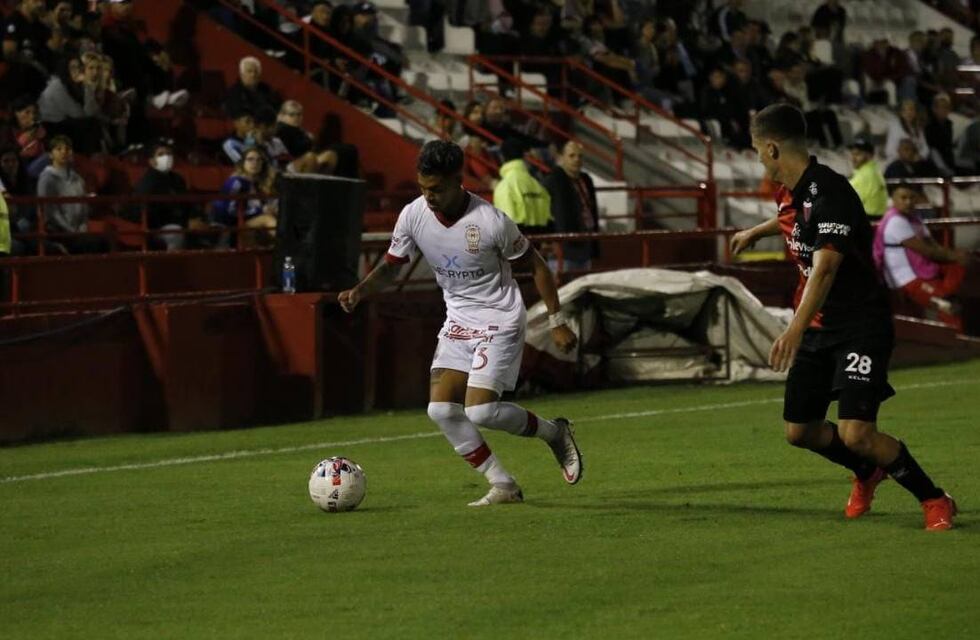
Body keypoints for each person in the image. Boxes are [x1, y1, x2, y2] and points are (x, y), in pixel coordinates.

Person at [729, 103, 957, 531]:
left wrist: (794, 329)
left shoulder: (830, 192)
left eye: (758, 150)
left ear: (773, 149)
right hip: (818, 326)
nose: (758, 158)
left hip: (858, 325)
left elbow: (826, 268)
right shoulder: (793, 191)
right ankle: (868, 471)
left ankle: (933, 498)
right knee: (800, 431)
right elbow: (790, 220)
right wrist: (754, 232)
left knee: (857, 434)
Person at [337, 140, 582, 506]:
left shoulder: (490, 222)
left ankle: (554, 433)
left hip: (499, 317)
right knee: (440, 410)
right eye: (423, 187)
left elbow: (537, 266)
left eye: (436, 189)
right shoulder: (413, 215)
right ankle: (504, 485)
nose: (428, 196)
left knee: (482, 411)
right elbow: (392, 266)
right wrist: (360, 290)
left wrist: (557, 320)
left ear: (457, 180)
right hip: (458, 319)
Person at [873, 183, 970, 331]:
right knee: (948, 306)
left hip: (919, 272)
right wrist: (955, 255)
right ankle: (956, 348)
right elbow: (928, 251)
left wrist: (955, 256)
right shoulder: (896, 221)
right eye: (903, 197)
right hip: (905, 279)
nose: (908, 201)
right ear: (893, 199)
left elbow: (933, 245)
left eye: (912, 197)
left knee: (959, 268)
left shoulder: (914, 218)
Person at [37, 134, 107, 254]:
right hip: (56, 231)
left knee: (101, 241)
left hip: (77, 230)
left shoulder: (78, 178)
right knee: (91, 244)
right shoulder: (47, 178)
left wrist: (82, 227)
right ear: (50, 154)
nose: (64, 152)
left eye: (67, 149)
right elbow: (50, 212)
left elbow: (84, 206)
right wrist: (70, 231)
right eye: (59, 149)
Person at [542, 140, 599, 272]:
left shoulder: (586, 180)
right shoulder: (552, 180)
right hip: (563, 246)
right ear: (561, 157)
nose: (577, 160)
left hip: (585, 242)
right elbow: (544, 211)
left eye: (580, 156)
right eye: (572, 156)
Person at [133, 138, 193, 251]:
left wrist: (193, 218)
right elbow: (145, 214)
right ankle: (170, 265)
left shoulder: (178, 180)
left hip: (180, 223)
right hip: (156, 229)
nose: (166, 157)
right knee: (175, 233)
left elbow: (187, 204)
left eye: (169, 154)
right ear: (152, 161)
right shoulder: (147, 184)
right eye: (161, 154)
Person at [493, 138, 552, 234]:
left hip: (518, 245)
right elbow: (549, 221)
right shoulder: (538, 186)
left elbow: (506, 228)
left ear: (502, 157)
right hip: (539, 244)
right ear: (524, 156)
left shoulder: (504, 187)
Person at [847, 137, 887, 218]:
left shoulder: (864, 175)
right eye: (852, 154)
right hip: (876, 217)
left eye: (858, 154)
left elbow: (848, 202)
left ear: (869, 156)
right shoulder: (874, 170)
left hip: (868, 219)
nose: (853, 158)